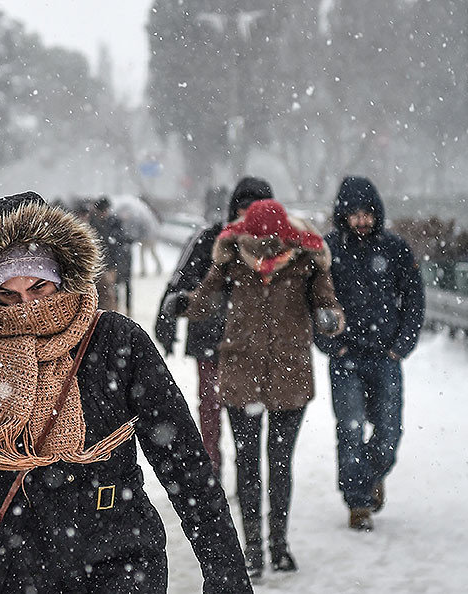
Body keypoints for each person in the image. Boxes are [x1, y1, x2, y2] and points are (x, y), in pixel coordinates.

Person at [0, 192, 252, 593]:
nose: (27, 307)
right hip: (18, 560)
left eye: (39, 288)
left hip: (119, 556)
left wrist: (224, 569)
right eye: (9, 295)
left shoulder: (115, 340)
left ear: (64, 276)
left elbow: (184, 461)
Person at [184, 196, 345, 577]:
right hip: (242, 373)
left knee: (280, 462)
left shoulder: (306, 262)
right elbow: (203, 304)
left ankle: (278, 544)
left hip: (290, 374)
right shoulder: (232, 261)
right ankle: (253, 549)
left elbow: (330, 306)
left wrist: (328, 317)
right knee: (248, 463)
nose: (263, 252)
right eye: (256, 243)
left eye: (272, 242)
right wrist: (184, 303)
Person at [314, 176, 425, 531]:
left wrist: (400, 347)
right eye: (354, 214)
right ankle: (358, 502)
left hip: (385, 356)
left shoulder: (395, 249)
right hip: (346, 356)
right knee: (350, 429)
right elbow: (314, 301)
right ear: (343, 215)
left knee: (389, 431)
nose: (361, 221)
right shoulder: (328, 251)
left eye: (367, 214)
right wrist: (333, 344)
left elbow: (414, 299)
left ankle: (373, 473)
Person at [154, 179, 266, 475]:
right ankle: (211, 471)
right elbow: (181, 281)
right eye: (243, 208)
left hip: (249, 349)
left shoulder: (274, 247)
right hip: (210, 342)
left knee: (246, 419)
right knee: (211, 412)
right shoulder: (209, 239)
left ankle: (246, 474)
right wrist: (167, 321)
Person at [89, 195, 131, 313]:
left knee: (116, 287)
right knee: (105, 290)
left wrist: (113, 265)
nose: (103, 214)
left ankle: (118, 310)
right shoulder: (93, 223)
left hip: (113, 261)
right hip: (100, 262)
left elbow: (118, 244)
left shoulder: (114, 223)